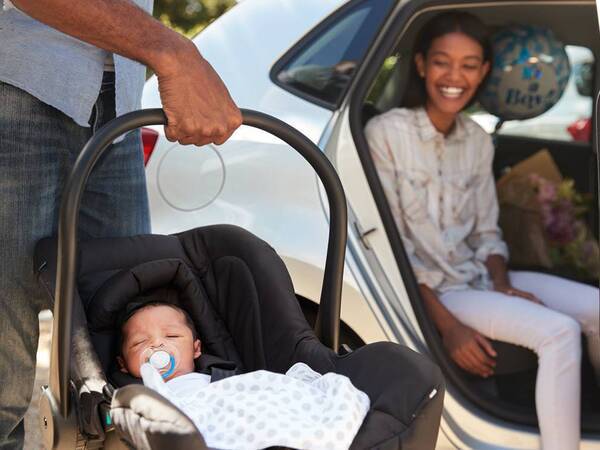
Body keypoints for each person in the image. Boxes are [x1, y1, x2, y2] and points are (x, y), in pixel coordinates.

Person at [0, 1, 242, 448]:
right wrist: (174, 53)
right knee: (4, 382)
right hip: (16, 82)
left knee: (112, 359)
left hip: (118, 102)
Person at [365, 11, 599, 450]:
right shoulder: (386, 134)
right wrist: (448, 327)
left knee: (596, 307)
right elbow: (393, 249)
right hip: (442, 290)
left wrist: (501, 282)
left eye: (469, 65)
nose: (455, 77)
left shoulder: (475, 138)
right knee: (560, 332)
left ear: (485, 72)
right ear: (420, 64)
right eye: (442, 62)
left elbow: (488, 230)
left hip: (479, 275)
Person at [118, 302, 370, 450]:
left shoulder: (225, 379)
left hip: (234, 406)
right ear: (122, 364)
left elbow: (258, 393)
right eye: (140, 343)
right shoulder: (136, 397)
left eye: (171, 336)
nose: (158, 347)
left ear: (196, 348)